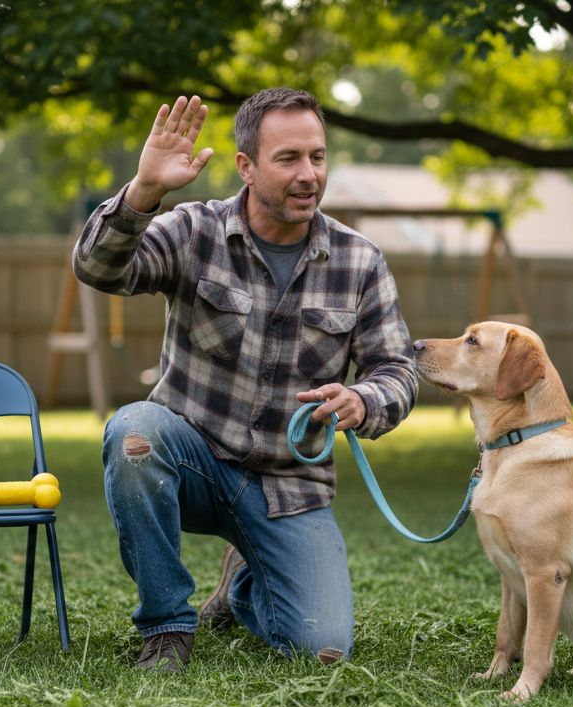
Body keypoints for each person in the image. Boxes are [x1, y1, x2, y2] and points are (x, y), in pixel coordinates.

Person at [71, 88, 417, 671]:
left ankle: (240, 584)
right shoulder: (194, 231)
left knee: (322, 648)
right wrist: (144, 192)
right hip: (194, 462)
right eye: (288, 159)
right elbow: (99, 267)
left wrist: (364, 397)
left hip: (290, 488)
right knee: (134, 432)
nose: (309, 175)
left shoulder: (360, 261)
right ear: (246, 167)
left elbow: (398, 368)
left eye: (318, 156)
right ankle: (167, 628)